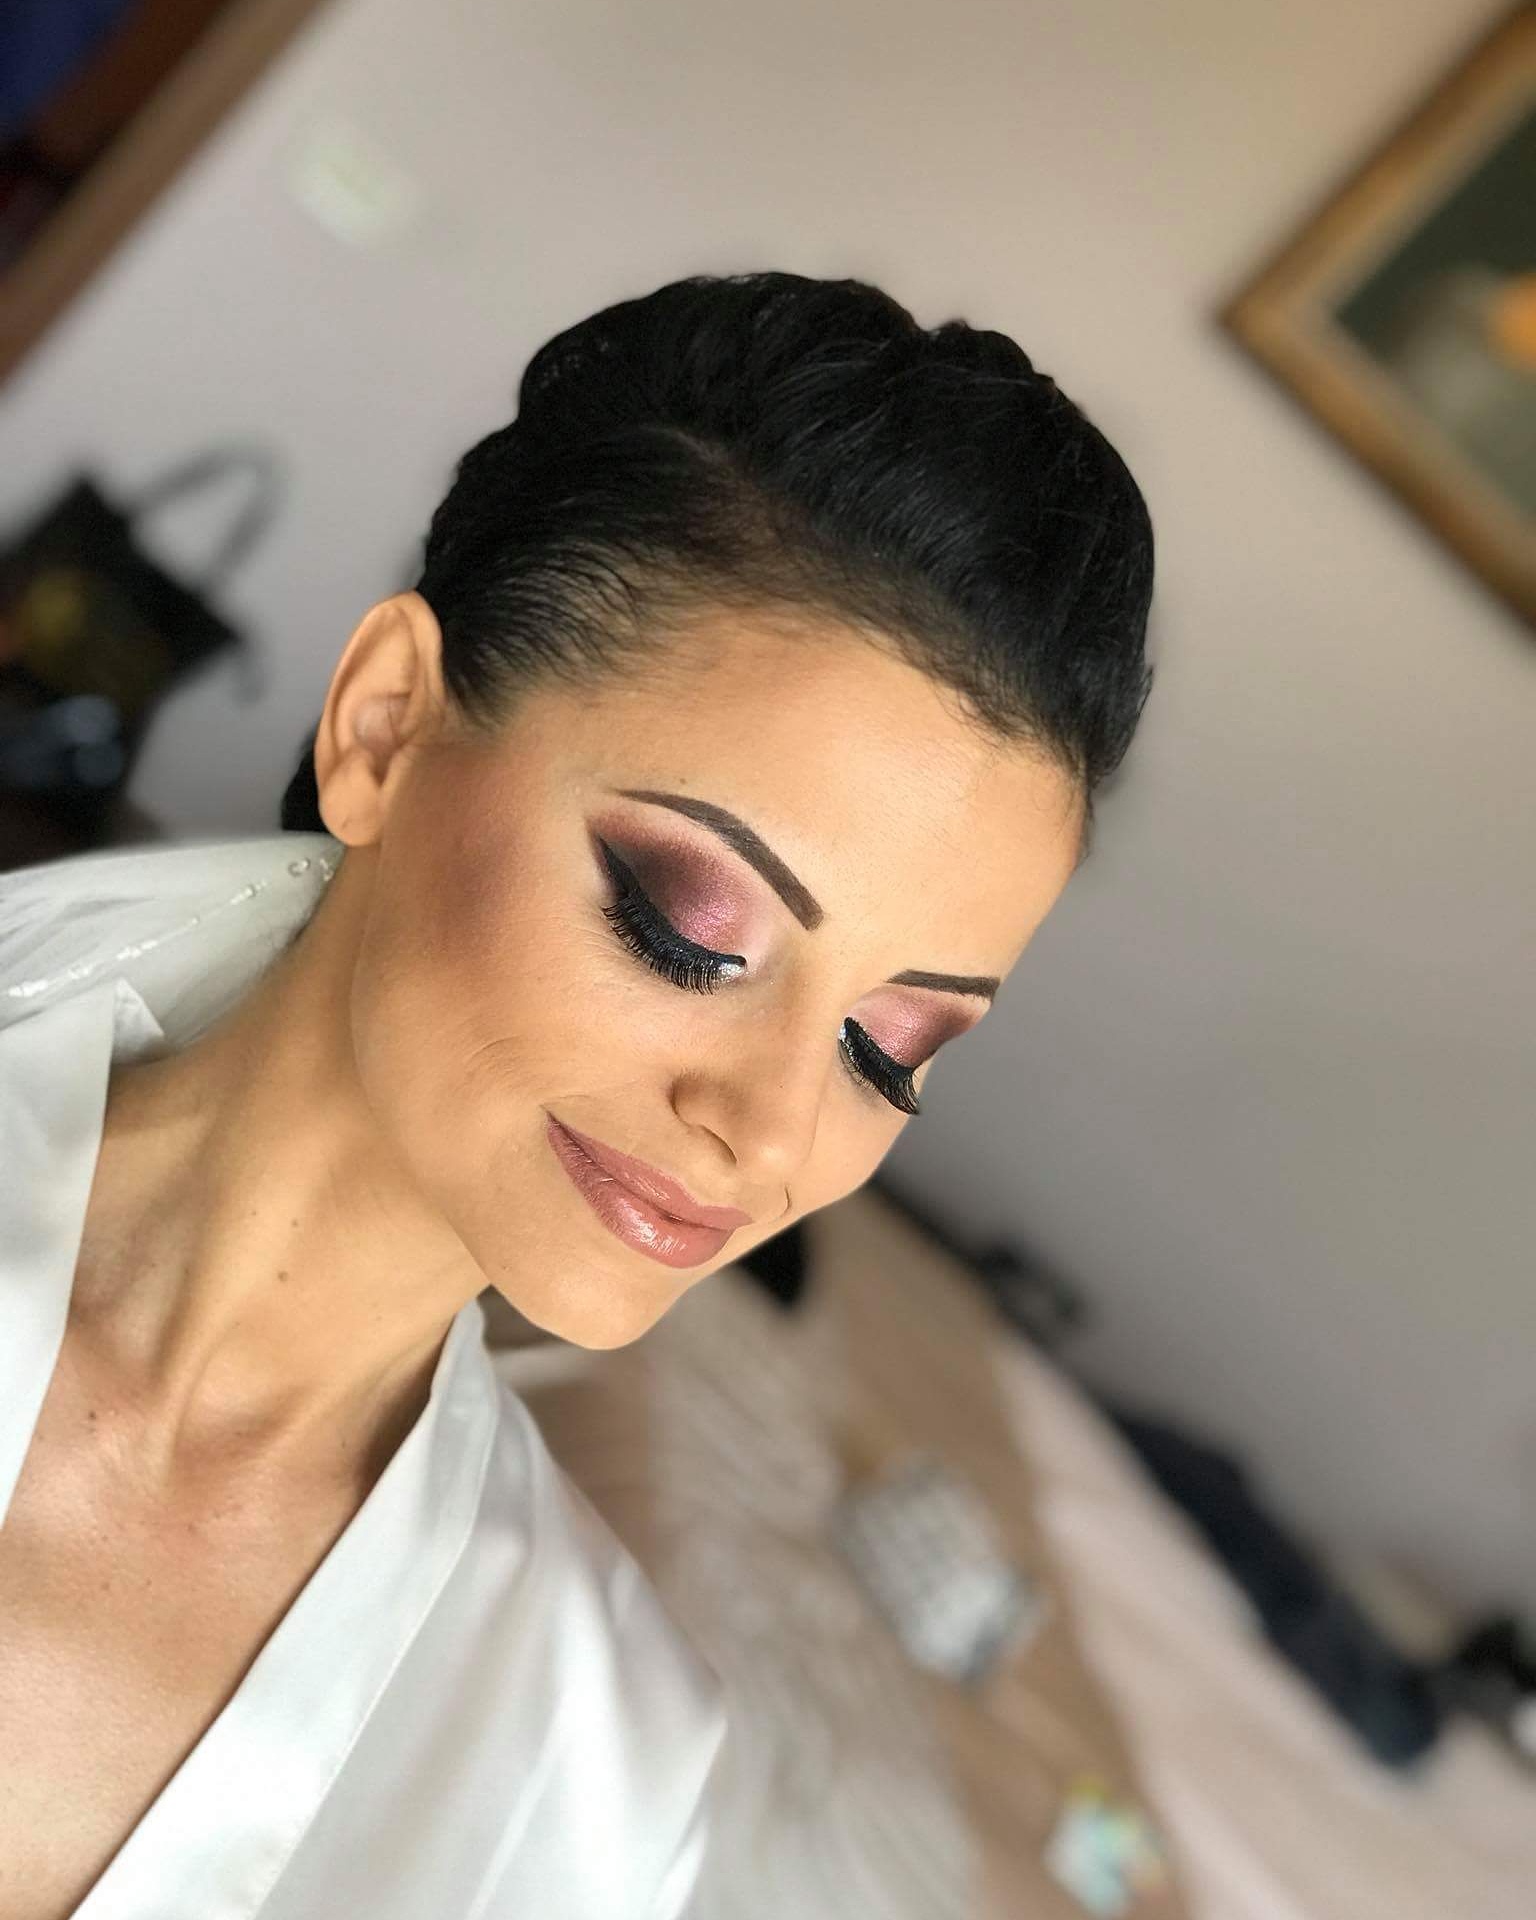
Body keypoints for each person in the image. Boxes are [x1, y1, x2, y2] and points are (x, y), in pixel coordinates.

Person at [0, 268, 1155, 1919]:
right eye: (692, 928)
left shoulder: (591, 1779)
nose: (771, 1134)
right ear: (385, 729)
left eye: (890, 1050)